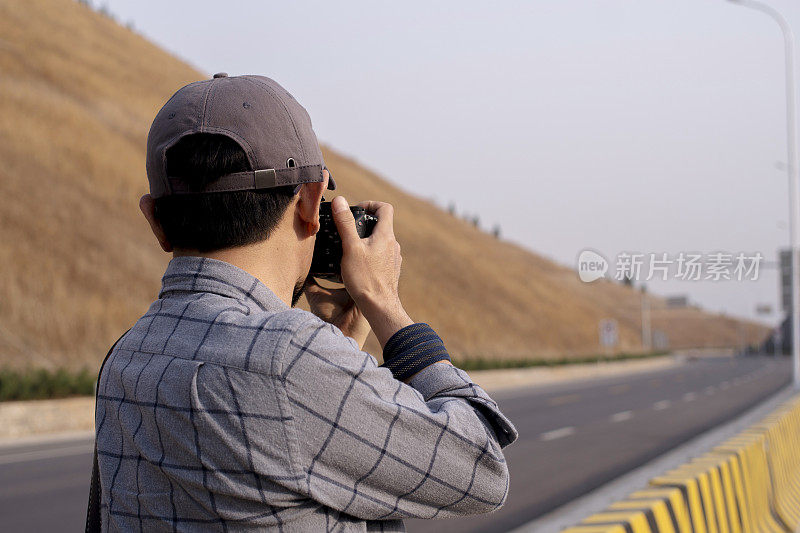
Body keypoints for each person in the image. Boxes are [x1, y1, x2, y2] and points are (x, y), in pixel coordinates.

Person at [94, 73, 518, 532]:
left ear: (154, 219)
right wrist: (383, 302)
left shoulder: (126, 356)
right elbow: (482, 470)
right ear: (310, 204)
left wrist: (340, 348)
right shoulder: (289, 358)